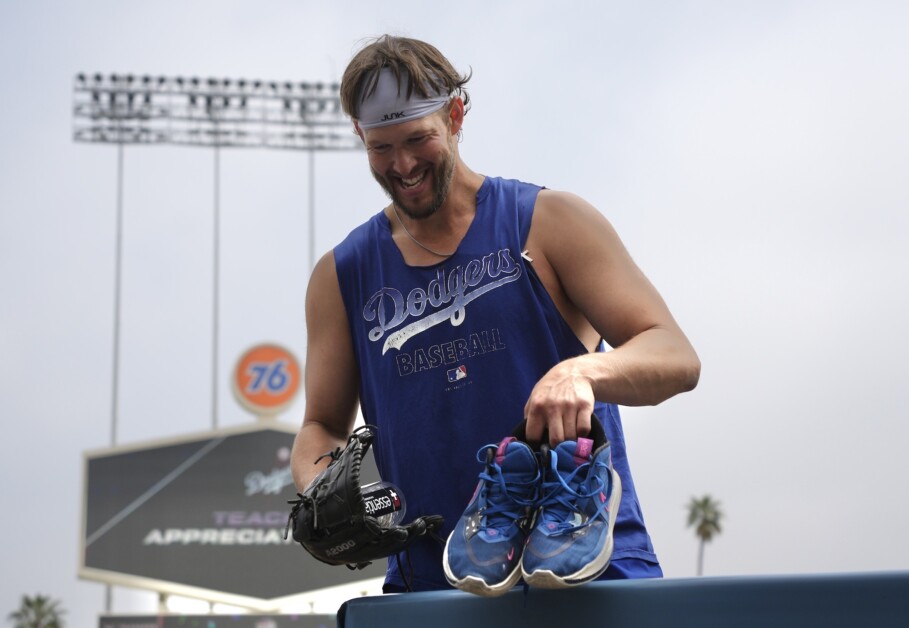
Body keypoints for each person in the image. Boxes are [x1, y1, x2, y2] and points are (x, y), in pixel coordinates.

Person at [291, 34, 700, 593]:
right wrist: (322, 490)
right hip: (433, 584)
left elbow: (675, 355)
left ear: (456, 116)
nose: (403, 165)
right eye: (381, 148)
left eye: (418, 139)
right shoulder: (342, 275)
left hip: (584, 575)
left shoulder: (547, 222)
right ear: (360, 135)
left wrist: (581, 371)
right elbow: (321, 426)